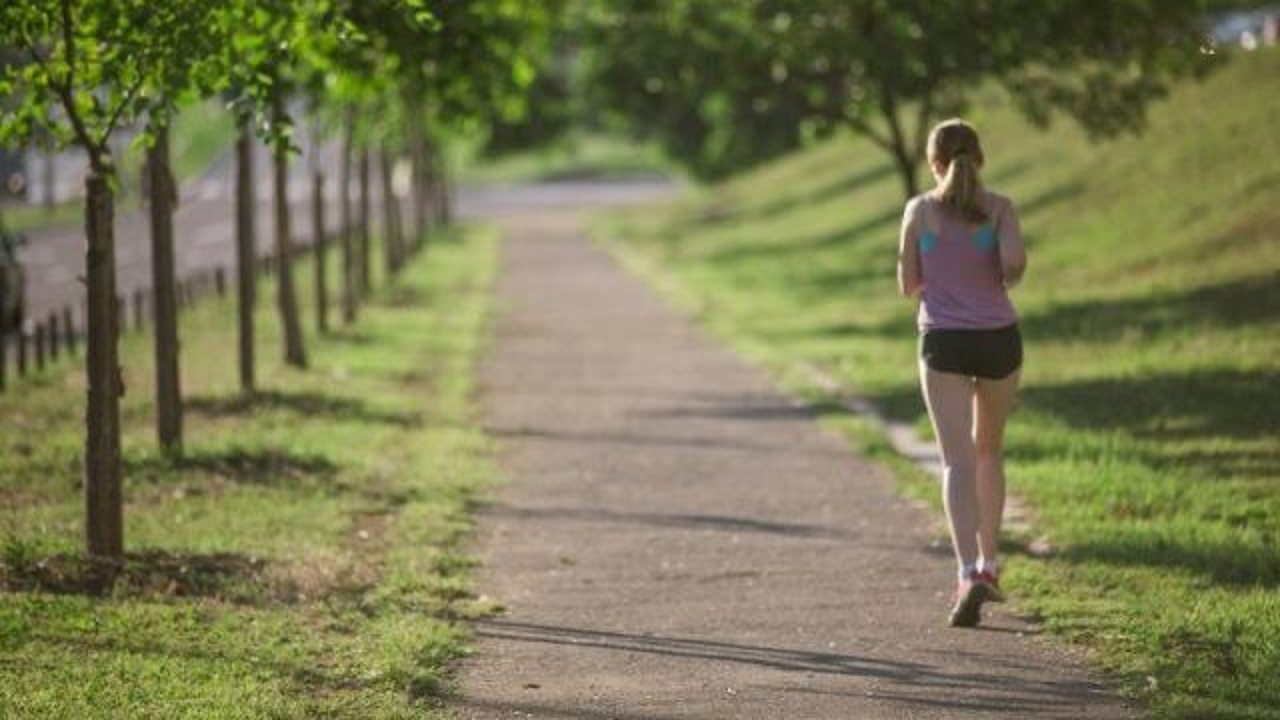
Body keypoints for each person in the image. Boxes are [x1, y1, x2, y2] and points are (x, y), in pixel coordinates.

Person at [896, 118, 1027, 628]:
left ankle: (967, 572)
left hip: (943, 342)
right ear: (980, 158)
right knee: (988, 450)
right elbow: (1013, 267)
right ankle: (991, 566)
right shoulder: (1000, 209)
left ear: (934, 163)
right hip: (997, 340)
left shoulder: (919, 211)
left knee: (956, 462)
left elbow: (909, 284)